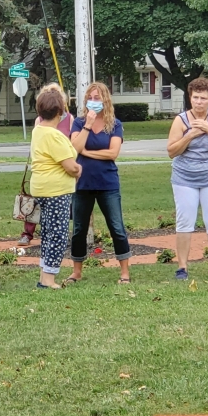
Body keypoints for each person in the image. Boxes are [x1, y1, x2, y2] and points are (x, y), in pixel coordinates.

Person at [167, 77, 208, 281]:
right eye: (195, 97)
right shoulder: (181, 120)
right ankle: (182, 268)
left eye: (203, 98)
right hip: (184, 177)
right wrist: (190, 135)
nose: (198, 102)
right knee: (184, 221)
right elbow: (171, 151)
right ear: (190, 98)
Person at [65, 81, 131, 285]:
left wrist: (87, 152)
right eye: (90, 98)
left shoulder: (115, 124)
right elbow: (75, 148)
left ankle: (125, 272)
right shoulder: (78, 123)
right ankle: (76, 271)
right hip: (82, 184)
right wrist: (87, 125)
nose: (94, 102)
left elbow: (113, 153)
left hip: (108, 183)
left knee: (117, 227)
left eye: (97, 98)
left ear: (105, 100)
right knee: (79, 229)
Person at [29, 87, 82, 289]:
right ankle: (50, 278)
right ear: (60, 112)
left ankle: (44, 276)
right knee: (58, 234)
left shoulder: (38, 131)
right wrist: (78, 170)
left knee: (48, 233)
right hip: (56, 191)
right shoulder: (55, 135)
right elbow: (69, 166)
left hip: (41, 188)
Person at [18, 83, 75, 247]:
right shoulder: (39, 122)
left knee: (59, 213)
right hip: (45, 171)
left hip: (61, 171)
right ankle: (28, 234)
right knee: (37, 206)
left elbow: (72, 141)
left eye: (56, 93)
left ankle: (65, 235)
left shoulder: (69, 119)